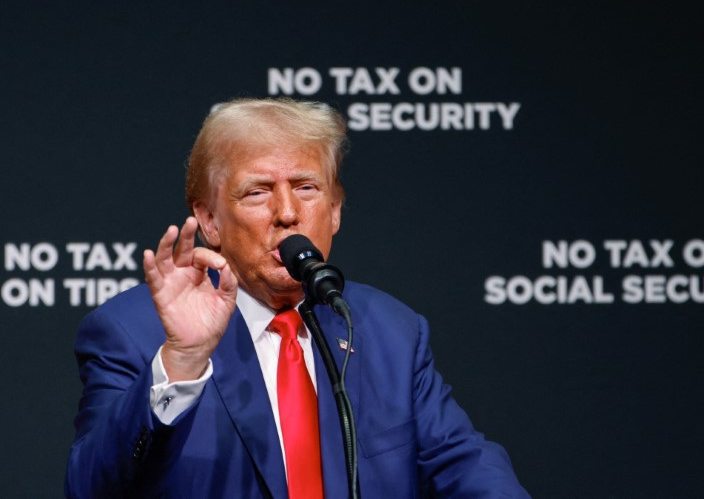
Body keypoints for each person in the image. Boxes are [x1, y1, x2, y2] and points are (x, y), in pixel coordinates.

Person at [65, 98, 530, 498]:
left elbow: (462, 462)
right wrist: (183, 361)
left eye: (306, 188)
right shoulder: (135, 331)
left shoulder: (388, 328)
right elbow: (91, 487)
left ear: (335, 212)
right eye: (258, 191)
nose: (287, 213)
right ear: (209, 221)